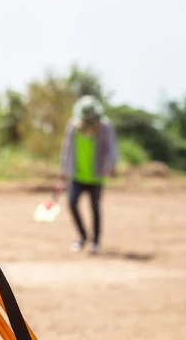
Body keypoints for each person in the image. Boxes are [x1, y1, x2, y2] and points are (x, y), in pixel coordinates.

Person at [58, 95, 119, 255]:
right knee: (71, 203)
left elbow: (112, 146)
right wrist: (64, 170)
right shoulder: (73, 126)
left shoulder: (105, 126)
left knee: (95, 209)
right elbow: (67, 148)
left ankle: (96, 242)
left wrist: (112, 164)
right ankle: (83, 237)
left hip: (96, 175)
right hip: (77, 175)